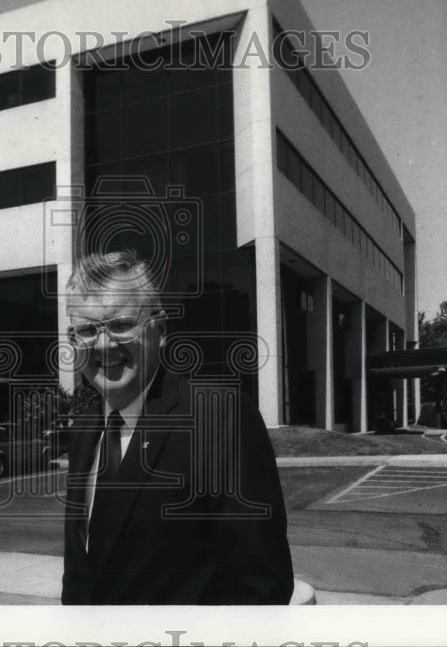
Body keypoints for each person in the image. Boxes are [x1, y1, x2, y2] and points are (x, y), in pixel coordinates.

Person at [61, 250, 293, 605]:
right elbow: (82, 574)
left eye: (122, 324)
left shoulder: (219, 418)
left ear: (160, 330)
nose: (104, 345)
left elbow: (260, 588)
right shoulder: (83, 429)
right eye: (88, 330)